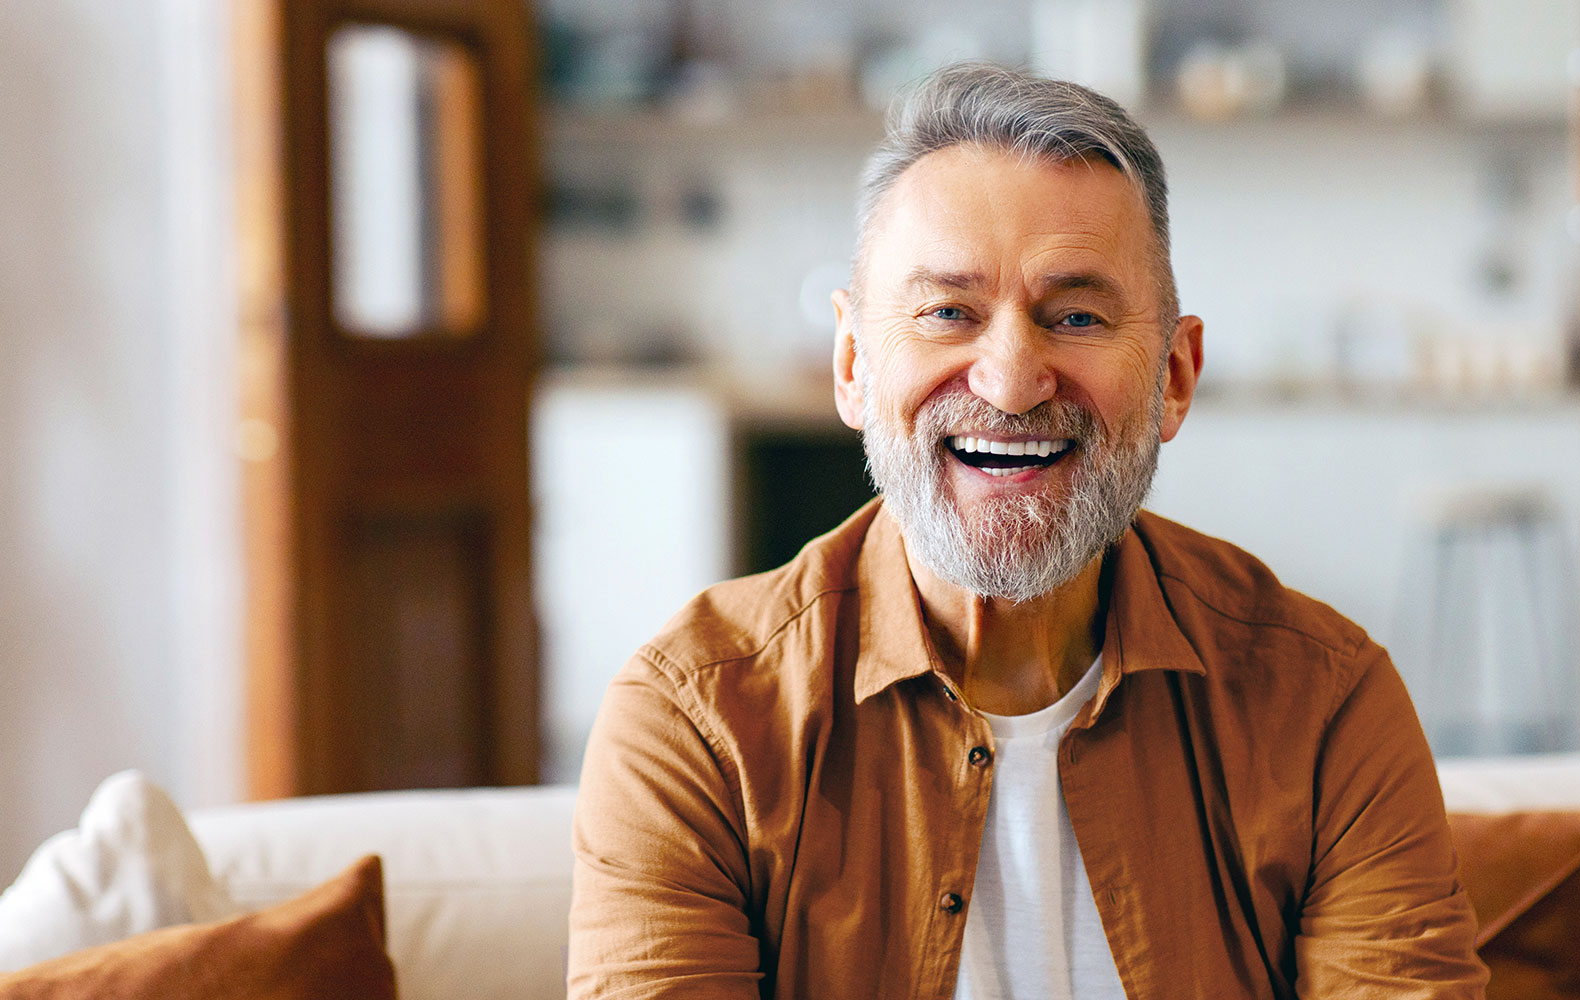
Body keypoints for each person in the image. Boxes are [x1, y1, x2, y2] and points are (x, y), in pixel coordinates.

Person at [568, 63, 1487, 1000]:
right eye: (947, 314)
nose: (1010, 382)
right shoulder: (696, 721)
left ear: (1174, 374)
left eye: (1076, 316)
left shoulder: (1326, 704)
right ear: (852, 366)